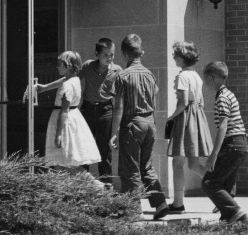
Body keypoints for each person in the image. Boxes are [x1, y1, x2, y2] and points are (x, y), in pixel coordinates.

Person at [109, 34, 169, 220]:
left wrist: (114, 132)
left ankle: (133, 210)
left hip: (132, 123)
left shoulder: (122, 77)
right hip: (149, 122)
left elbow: (118, 106)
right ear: (141, 52)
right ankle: (160, 203)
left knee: (130, 168)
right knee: (146, 166)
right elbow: (154, 100)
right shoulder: (150, 74)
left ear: (124, 53)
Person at [33, 51, 102, 184]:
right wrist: (44, 88)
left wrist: (58, 134)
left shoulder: (67, 86)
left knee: (65, 163)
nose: (57, 67)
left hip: (64, 123)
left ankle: (97, 185)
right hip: (72, 119)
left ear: (69, 66)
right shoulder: (73, 79)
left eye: (60, 64)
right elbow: (62, 81)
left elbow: (64, 111)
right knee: (60, 163)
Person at [202, 61, 248, 225]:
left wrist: (213, 155)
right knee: (225, 185)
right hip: (240, 144)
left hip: (232, 143)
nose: (204, 83)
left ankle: (237, 214)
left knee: (210, 182)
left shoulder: (222, 98)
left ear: (211, 78)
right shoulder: (229, 94)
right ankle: (229, 221)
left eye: (205, 79)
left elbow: (223, 125)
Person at [166, 41, 213, 213]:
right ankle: (220, 192)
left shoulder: (183, 76)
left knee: (177, 162)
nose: (173, 57)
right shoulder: (196, 76)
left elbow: (184, 102)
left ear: (183, 57)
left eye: (175, 54)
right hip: (196, 118)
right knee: (193, 164)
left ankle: (178, 203)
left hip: (185, 119)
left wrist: (171, 118)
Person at [80, 38, 122, 183]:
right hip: (88, 109)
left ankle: (107, 189)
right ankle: (83, 188)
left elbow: (121, 98)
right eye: (106, 55)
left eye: (112, 55)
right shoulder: (87, 66)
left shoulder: (117, 70)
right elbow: (71, 78)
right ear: (97, 54)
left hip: (106, 111)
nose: (109, 58)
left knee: (104, 150)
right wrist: (45, 87)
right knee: (84, 149)